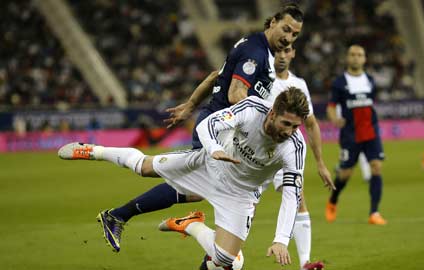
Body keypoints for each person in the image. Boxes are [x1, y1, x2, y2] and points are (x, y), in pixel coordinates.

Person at [78, 4, 309, 256]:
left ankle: (124, 215)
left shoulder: (256, 49)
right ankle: (129, 214)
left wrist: (191, 104)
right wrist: (256, 118)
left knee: (192, 185)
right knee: (198, 184)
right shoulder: (256, 53)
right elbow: (235, 94)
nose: (288, 38)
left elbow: (215, 75)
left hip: (219, 124)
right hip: (221, 129)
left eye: (295, 35)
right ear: (272, 22)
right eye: (286, 29)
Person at [59, 88, 310, 269]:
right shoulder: (252, 109)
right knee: (145, 167)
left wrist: (280, 241)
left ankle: (189, 225)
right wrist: (213, 149)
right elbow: (207, 125)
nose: (289, 132)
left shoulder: (294, 147)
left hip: (240, 194)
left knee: (225, 260)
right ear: (273, 112)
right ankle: (93, 150)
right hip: (209, 165)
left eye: (295, 127)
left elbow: (291, 195)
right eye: (286, 123)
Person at [259, 44, 329, 270]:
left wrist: (320, 163)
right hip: (256, 150)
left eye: (287, 50)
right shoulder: (262, 78)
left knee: (298, 198)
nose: (282, 55)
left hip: (284, 150)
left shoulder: (299, 85)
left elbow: (311, 124)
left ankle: (304, 263)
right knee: (241, 198)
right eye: (278, 51)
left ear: (293, 53)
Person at [325, 45, 387, 225]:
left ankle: (374, 213)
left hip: (371, 131)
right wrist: (334, 119)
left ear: (365, 59)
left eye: (359, 55)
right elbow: (331, 106)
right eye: (352, 54)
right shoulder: (339, 82)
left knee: (376, 167)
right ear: (347, 58)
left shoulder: (370, 80)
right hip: (350, 134)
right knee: (345, 174)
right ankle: (333, 200)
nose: (356, 58)